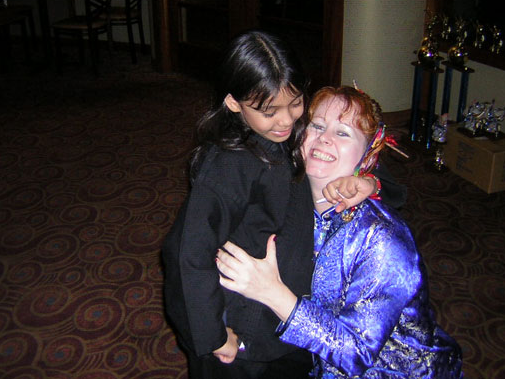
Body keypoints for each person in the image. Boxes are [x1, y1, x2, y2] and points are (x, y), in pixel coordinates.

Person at [162, 31, 405, 379]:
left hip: (287, 325)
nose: (287, 121)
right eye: (269, 111)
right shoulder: (228, 166)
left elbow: (370, 160)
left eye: (296, 103)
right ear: (234, 103)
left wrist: (370, 182)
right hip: (242, 336)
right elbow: (185, 253)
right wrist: (211, 335)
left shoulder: (292, 132)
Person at [216, 86, 464, 378]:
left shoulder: (381, 240)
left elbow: (357, 354)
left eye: (343, 132)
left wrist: (272, 292)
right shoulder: (293, 197)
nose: (324, 138)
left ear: (368, 155)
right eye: (318, 126)